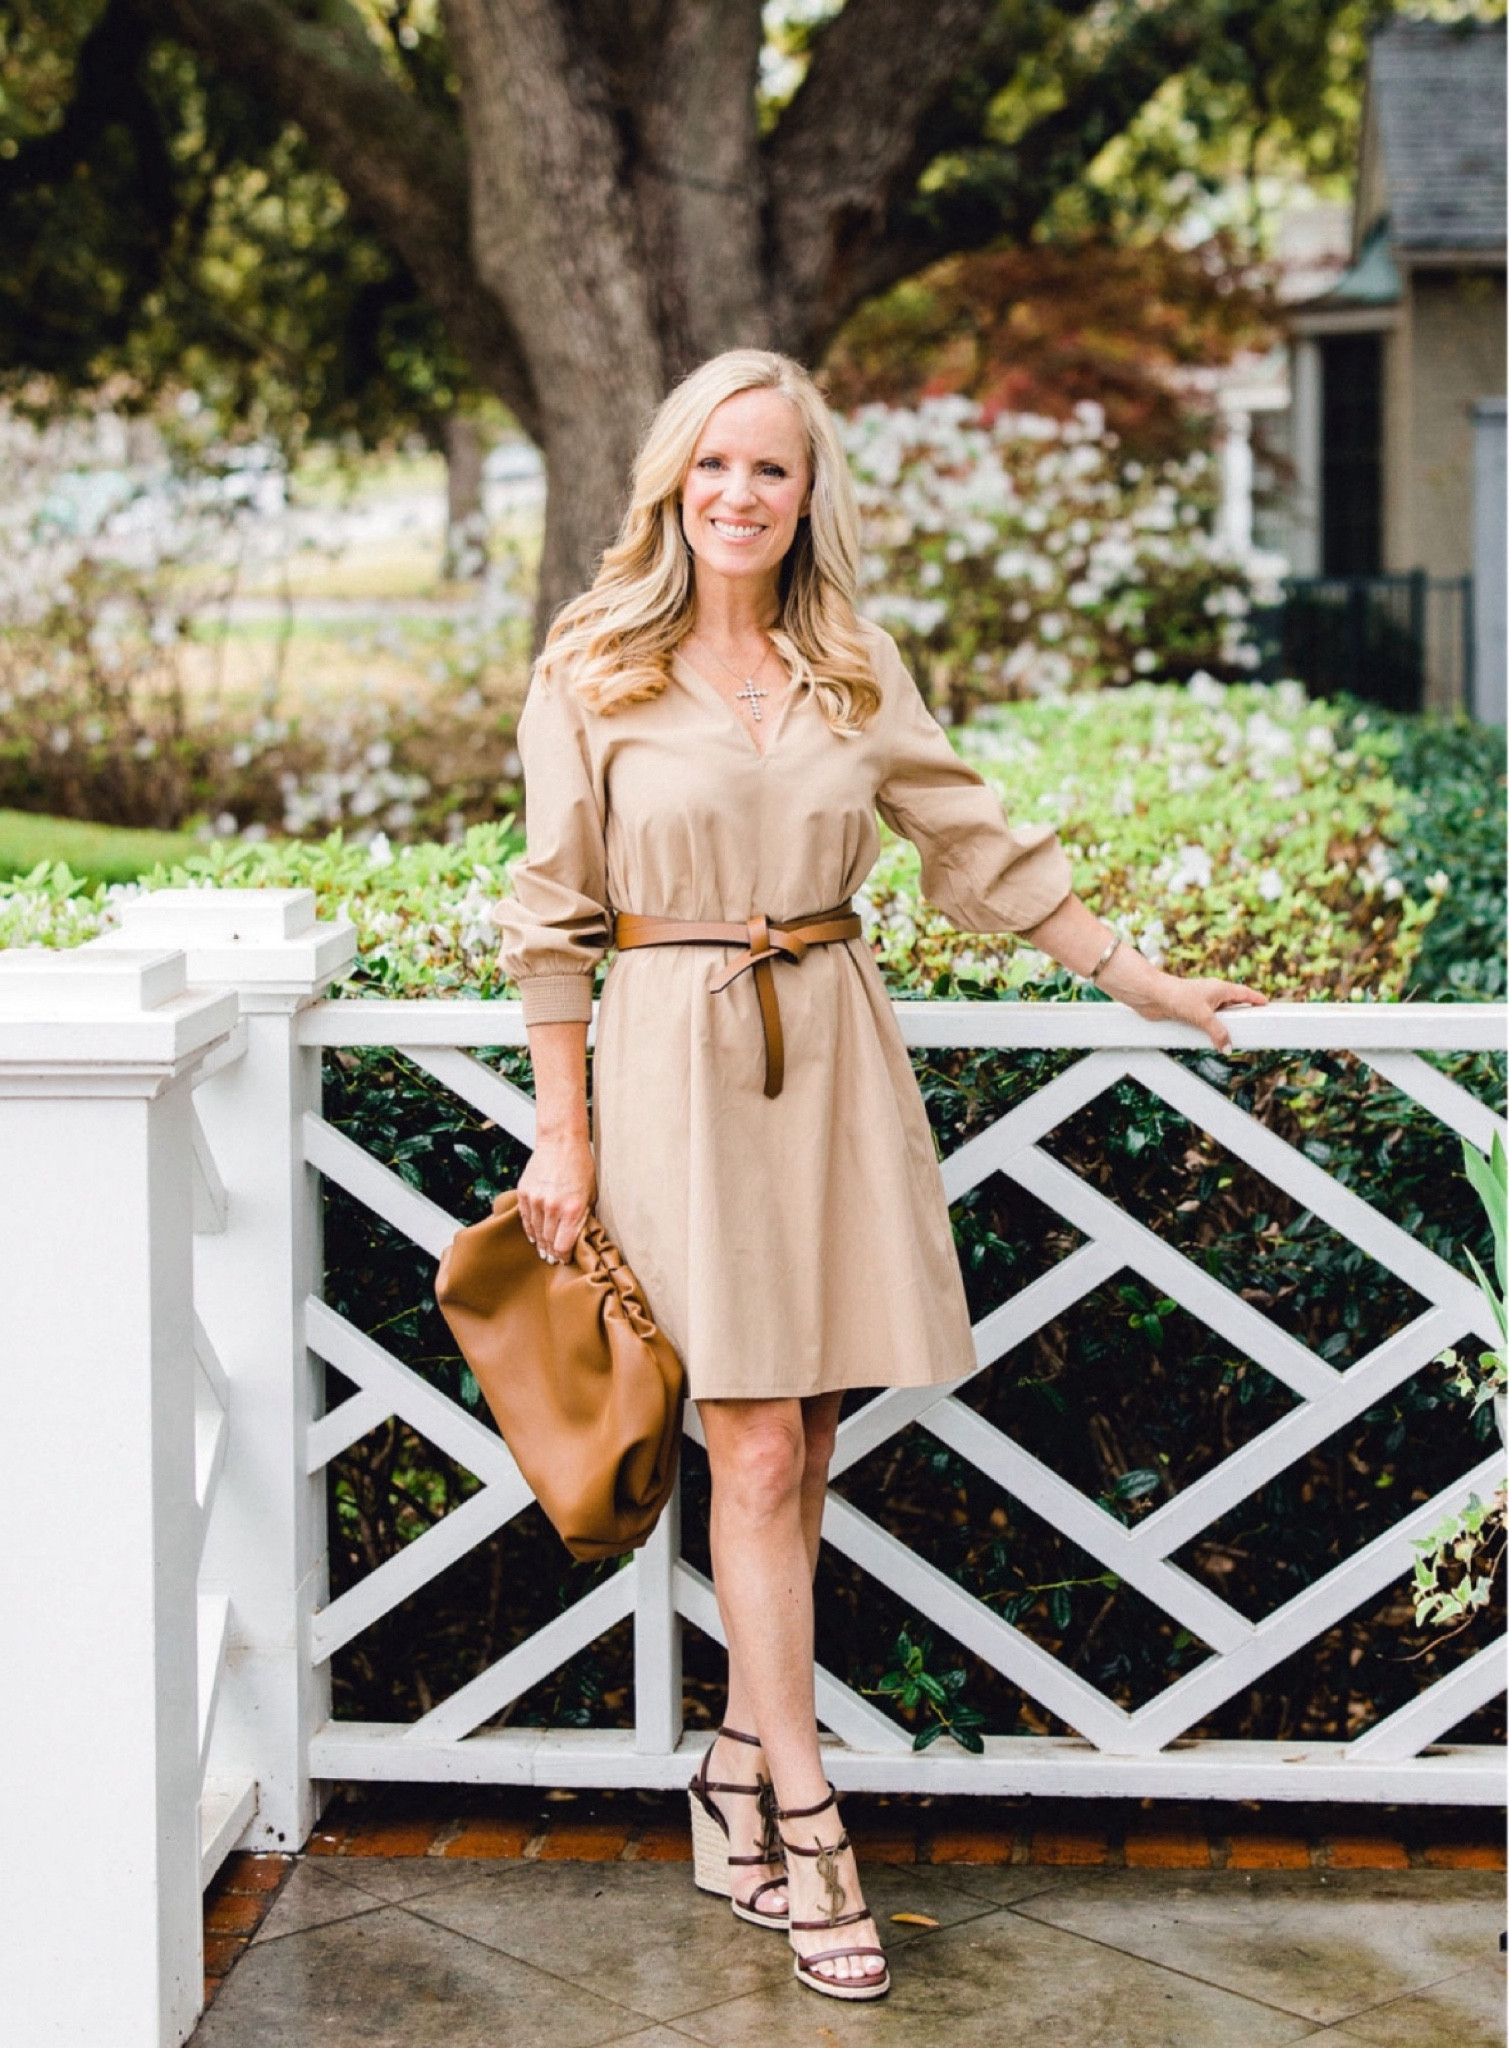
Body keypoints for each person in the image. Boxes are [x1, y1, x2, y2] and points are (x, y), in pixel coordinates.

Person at [492, 348, 1266, 2002]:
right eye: (711, 467)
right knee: (753, 1443)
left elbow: (969, 837)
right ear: (668, 484)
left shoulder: (850, 662)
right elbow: (551, 915)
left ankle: (724, 1766)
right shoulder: (590, 668)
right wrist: (561, 1132)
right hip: (671, 1066)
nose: (737, 497)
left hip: (831, 1056)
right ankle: (805, 1807)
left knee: (803, 1436)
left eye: (769, 470)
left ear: (805, 493)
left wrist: (1131, 972)